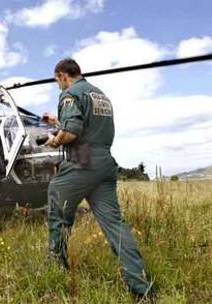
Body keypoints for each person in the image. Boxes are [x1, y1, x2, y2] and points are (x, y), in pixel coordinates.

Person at [43, 58, 154, 298]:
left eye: (57, 81)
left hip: (83, 160)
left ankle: (55, 268)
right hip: (104, 163)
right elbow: (86, 124)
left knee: (58, 206)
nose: (58, 86)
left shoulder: (70, 94)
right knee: (115, 225)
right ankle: (142, 288)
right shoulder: (99, 95)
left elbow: (72, 132)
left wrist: (54, 139)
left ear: (63, 75)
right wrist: (57, 122)